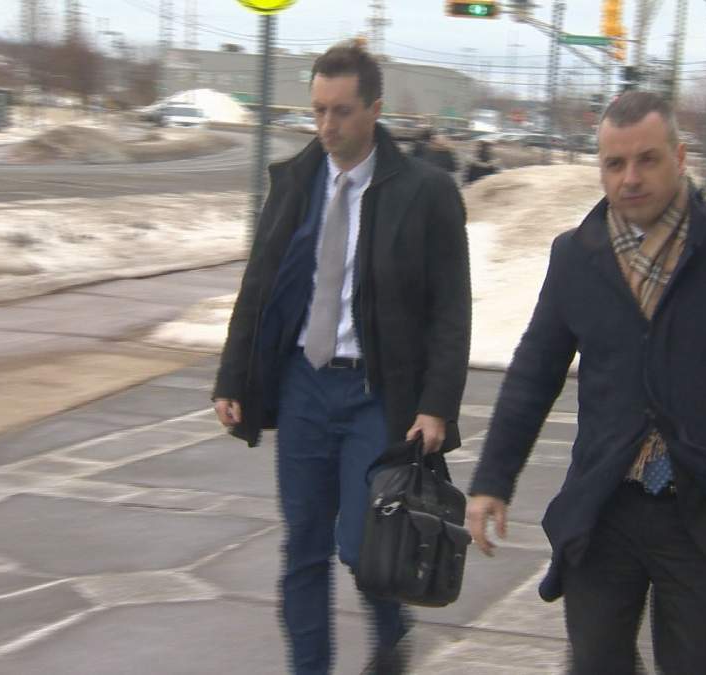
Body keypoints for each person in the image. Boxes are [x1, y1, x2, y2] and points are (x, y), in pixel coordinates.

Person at [464, 91, 706, 674]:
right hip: (606, 505)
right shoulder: (576, 256)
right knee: (596, 662)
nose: (630, 177)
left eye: (647, 159)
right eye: (615, 163)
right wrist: (492, 481)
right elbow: (534, 372)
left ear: (679, 157)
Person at [212, 42, 471, 675]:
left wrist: (436, 404)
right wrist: (232, 375)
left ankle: (390, 631)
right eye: (319, 110)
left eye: (343, 111)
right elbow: (260, 282)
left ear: (374, 110)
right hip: (304, 386)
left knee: (361, 544)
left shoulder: (425, 192)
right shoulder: (295, 180)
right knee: (303, 547)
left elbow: (451, 308)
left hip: (374, 395)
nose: (328, 126)